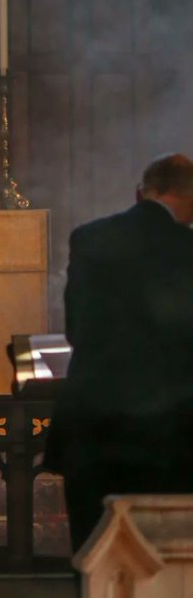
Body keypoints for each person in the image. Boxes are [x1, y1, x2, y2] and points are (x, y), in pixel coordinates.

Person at [44, 153, 193, 555]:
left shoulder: (90, 238)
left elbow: (77, 329)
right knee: (166, 556)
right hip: (171, 428)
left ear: (140, 192)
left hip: (94, 421)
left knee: (94, 550)